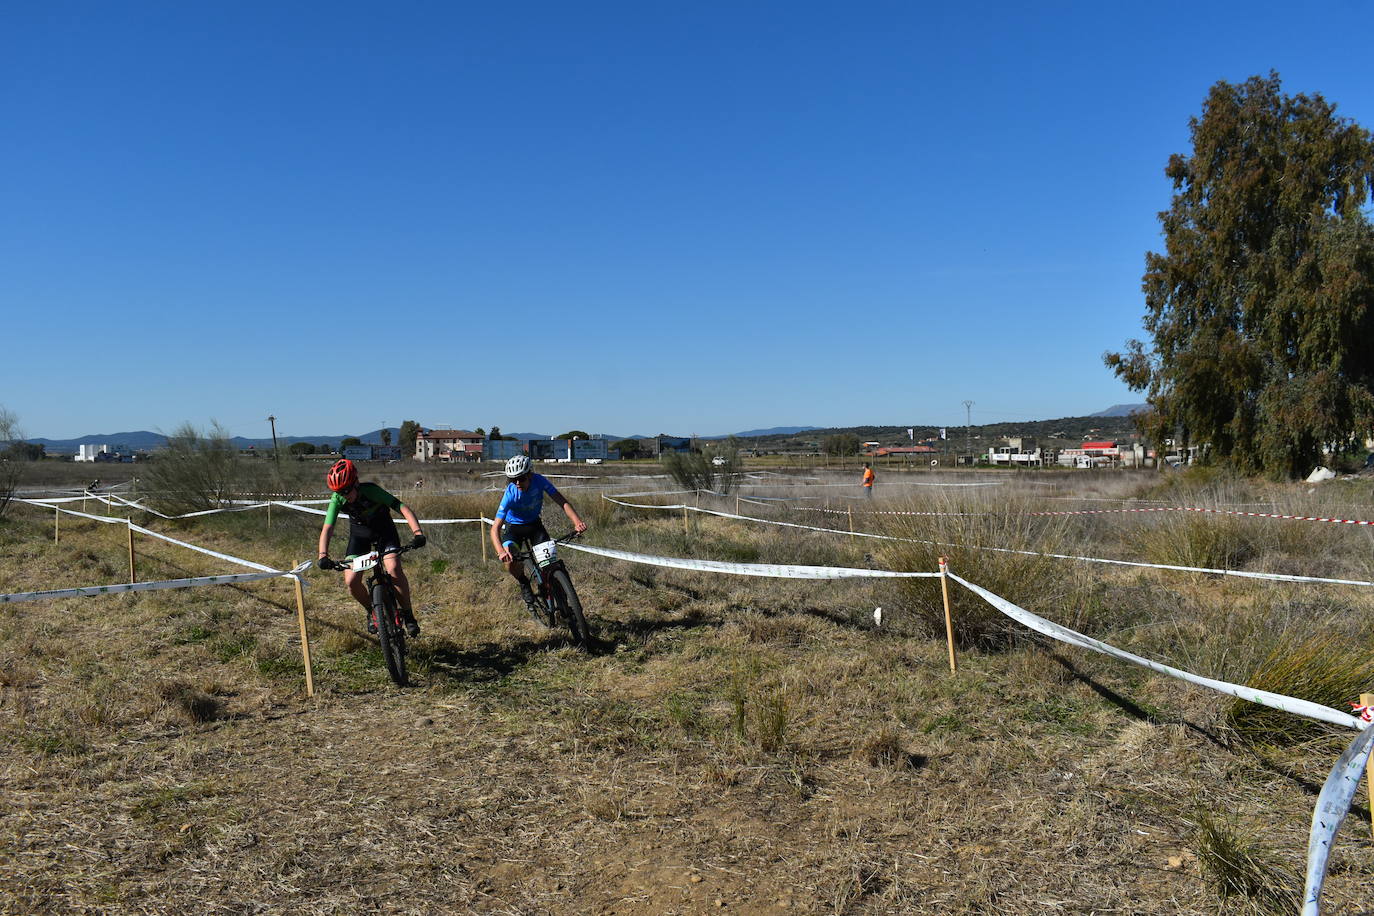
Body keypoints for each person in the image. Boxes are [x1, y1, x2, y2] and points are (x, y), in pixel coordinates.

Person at [317, 458, 426, 636]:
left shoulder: (371, 491)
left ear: (356, 482)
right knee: (351, 582)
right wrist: (323, 555)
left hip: (385, 532)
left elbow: (402, 507)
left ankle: (408, 614)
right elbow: (328, 527)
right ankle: (373, 611)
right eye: (338, 492)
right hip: (360, 537)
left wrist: (418, 533)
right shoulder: (337, 498)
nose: (343, 495)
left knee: (394, 569)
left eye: (346, 490)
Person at [490, 454, 587, 618]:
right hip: (514, 529)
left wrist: (577, 521)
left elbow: (561, 501)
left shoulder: (539, 481)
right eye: (513, 480)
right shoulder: (510, 494)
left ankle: (561, 595)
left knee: (550, 564)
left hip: (534, 526)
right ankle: (523, 582)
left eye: (521, 478)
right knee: (511, 560)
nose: (518, 483)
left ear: (530, 474)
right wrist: (501, 551)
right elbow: (495, 529)